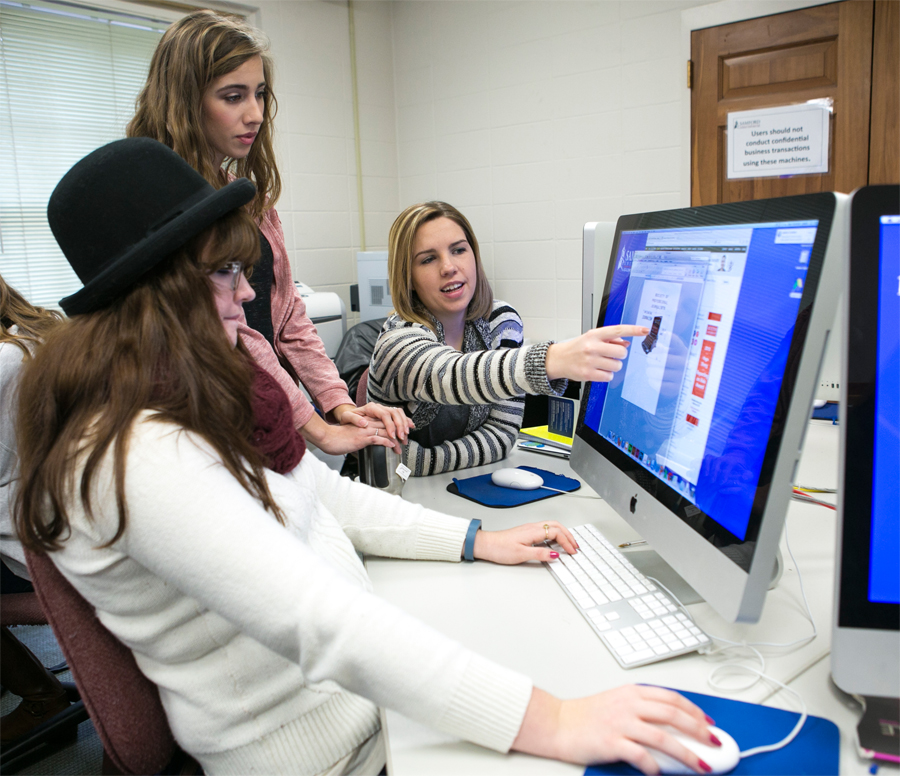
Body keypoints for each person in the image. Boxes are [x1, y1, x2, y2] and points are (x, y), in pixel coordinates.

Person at [15, 138, 717, 776]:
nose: (250, 292)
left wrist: (477, 540)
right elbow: (318, 620)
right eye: (227, 273)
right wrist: (555, 720)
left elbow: (323, 496)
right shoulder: (135, 454)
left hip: (357, 706)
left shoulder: (177, 401)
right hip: (323, 753)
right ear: (162, 292)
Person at [126, 9, 411, 456]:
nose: (255, 114)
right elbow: (236, 333)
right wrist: (317, 427)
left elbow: (289, 319)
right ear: (185, 99)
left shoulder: (251, 202)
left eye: (259, 94)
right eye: (233, 96)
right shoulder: (162, 205)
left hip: (269, 407)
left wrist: (337, 403)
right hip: (207, 415)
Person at [368, 201, 649, 476]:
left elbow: (501, 436)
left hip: (453, 486)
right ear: (408, 276)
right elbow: (449, 375)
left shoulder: (501, 321)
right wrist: (552, 359)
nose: (449, 267)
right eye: (428, 259)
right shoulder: (397, 339)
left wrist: (419, 461)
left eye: (458, 250)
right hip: (398, 500)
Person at [0, 276, 70, 743]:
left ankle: (42, 699)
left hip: (43, 545)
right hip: (76, 522)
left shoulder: (5, 361)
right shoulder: (44, 335)